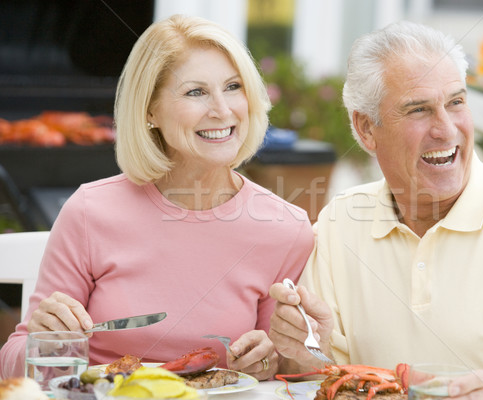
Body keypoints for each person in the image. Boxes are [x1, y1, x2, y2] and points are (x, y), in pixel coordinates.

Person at [269, 21, 483, 398]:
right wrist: (309, 350)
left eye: (456, 102)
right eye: (419, 110)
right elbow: (320, 376)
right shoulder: (338, 223)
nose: (446, 129)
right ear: (366, 129)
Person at [0, 14, 313, 381]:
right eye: (195, 92)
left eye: (233, 86)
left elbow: (281, 369)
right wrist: (43, 342)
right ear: (150, 110)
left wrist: (270, 360)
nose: (222, 110)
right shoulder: (90, 211)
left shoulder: (285, 229)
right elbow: (13, 363)